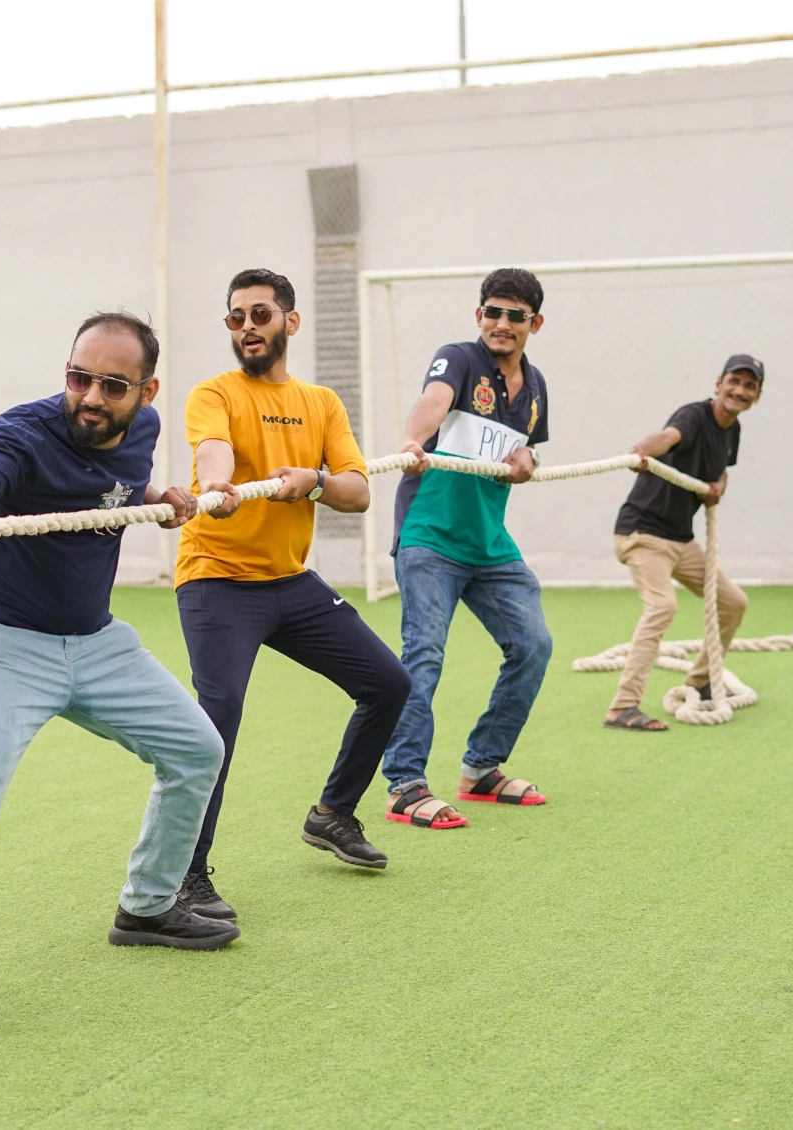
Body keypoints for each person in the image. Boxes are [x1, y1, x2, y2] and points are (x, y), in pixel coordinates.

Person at [0, 311, 237, 1038]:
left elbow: (115, 488)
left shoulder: (145, 429)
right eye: (78, 378)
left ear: (146, 390)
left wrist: (155, 500)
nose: (90, 397)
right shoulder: (24, 432)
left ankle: (147, 906)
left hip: (95, 642)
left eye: (111, 384)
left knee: (197, 749)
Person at [171, 268, 412, 921]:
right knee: (215, 722)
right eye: (234, 318)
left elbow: (358, 491)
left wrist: (311, 481)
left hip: (290, 583)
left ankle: (333, 813)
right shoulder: (212, 393)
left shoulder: (321, 402)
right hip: (217, 578)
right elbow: (212, 453)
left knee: (388, 683)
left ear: (289, 322)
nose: (246, 328)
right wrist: (217, 488)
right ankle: (184, 876)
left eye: (258, 315)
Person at [379, 268, 556, 831]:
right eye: (492, 312)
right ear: (479, 315)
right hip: (430, 537)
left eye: (515, 315)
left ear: (535, 323)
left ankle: (482, 768)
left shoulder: (536, 386)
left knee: (533, 645)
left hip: (490, 545)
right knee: (424, 654)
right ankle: (405, 785)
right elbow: (433, 401)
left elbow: (522, 454)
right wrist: (412, 440)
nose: (501, 324)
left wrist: (530, 462)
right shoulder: (457, 358)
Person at [604, 354, 764, 731]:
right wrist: (642, 450)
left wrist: (717, 488)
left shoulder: (732, 431)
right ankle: (622, 707)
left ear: (756, 396)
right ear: (718, 383)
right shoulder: (694, 416)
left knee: (733, 603)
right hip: (643, 534)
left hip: (680, 540)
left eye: (749, 386)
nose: (739, 390)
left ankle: (702, 681)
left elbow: (722, 468)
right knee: (662, 607)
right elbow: (667, 438)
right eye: (734, 381)